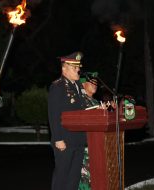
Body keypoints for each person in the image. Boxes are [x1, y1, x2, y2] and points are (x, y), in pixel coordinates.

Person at [48, 52, 89, 190]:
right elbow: (53, 114)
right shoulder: (57, 86)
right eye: (74, 67)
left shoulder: (78, 86)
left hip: (78, 139)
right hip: (64, 140)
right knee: (62, 177)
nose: (78, 70)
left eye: (78, 67)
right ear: (64, 69)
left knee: (74, 178)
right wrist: (57, 138)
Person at [78, 72, 99, 190]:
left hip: (96, 146)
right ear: (83, 85)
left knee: (94, 179)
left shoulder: (96, 102)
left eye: (96, 83)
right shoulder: (80, 101)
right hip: (85, 147)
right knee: (84, 180)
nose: (95, 85)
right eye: (91, 82)